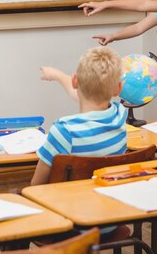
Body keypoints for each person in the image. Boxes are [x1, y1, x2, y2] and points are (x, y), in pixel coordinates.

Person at [31, 47, 128, 185]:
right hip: (107, 199)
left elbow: (36, 185)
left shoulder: (64, 131)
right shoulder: (120, 115)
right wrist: (57, 75)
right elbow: (93, 97)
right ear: (118, 89)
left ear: (75, 81)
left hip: (69, 204)